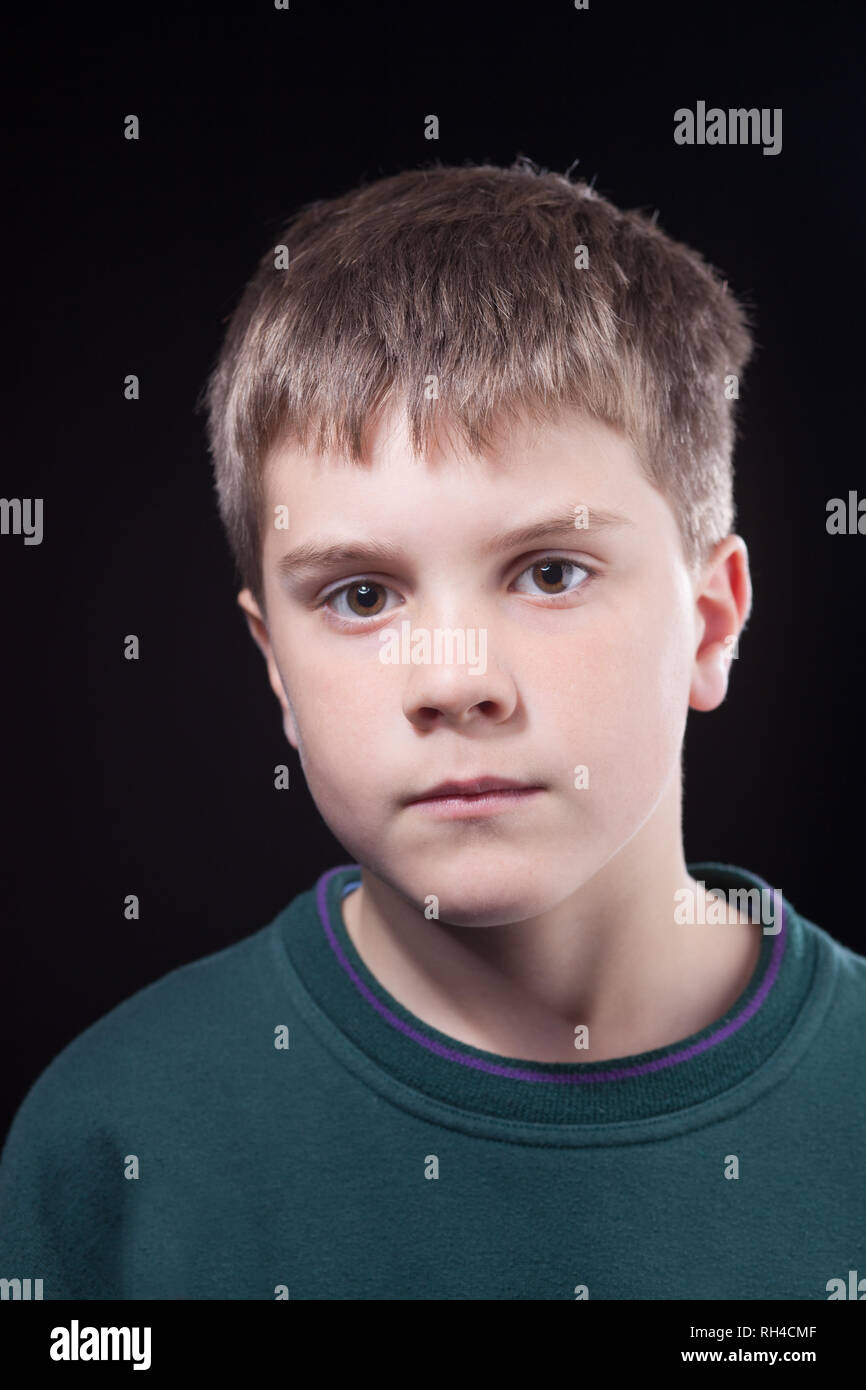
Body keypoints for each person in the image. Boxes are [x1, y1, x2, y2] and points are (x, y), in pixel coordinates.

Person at [1, 160, 863, 1300]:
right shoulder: (109, 1145)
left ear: (708, 624)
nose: (451, 681)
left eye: (549, 571)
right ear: (276, 669)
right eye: (360, 596)